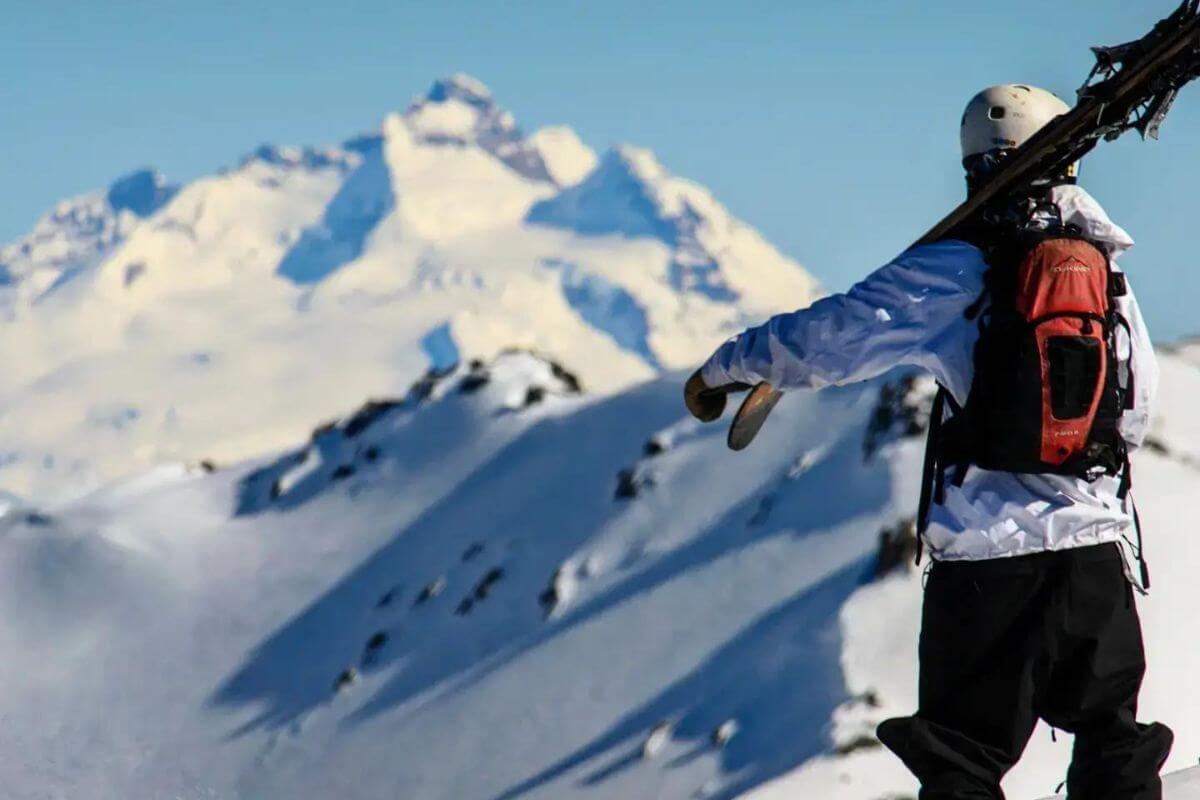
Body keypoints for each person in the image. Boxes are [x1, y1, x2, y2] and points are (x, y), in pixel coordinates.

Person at [684, 85, 1173, 799]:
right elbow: (1138, 409)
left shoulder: (961, 268)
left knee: (962, 761)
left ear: (975, 165)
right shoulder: (1108, 273)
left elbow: (834, 337)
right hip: (1094, 561)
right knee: (1112, 749)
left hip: (989, 567)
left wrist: (727, 365)